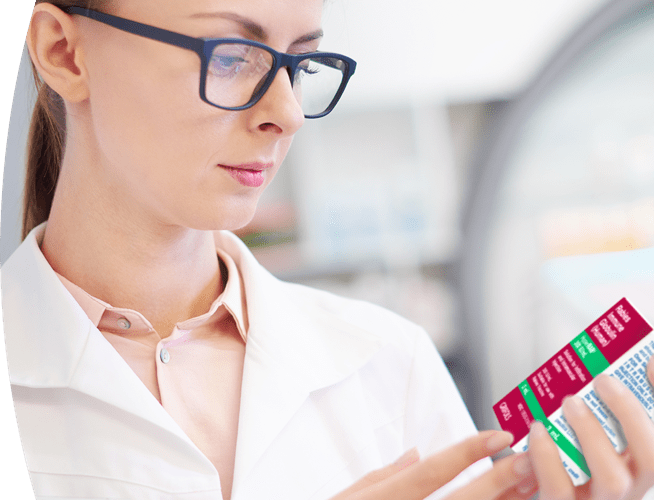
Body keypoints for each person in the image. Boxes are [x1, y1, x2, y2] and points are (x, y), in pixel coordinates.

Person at [3, 0, 654, 499]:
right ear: (64, 51)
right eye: (231, 56)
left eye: (300, 64)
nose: (285, 113)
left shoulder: (389, 363)